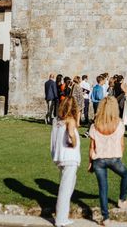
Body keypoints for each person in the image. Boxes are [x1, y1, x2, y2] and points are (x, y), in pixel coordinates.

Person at [88, 97, 127, 225]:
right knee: (125, 174)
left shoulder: (95, 125)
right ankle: (122, 200)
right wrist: (119, 157)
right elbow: (122, 144)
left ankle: (106, 218)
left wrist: (90, 162)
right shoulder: (119, 124)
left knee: (103, 188)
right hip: (114, 158)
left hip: (98, 160)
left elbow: (92, 147)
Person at [50, 96, 81, 227]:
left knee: (69, 185)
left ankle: (63, 213)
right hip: (70, 157)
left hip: (61, 156)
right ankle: (61, 219)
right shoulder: (70, 120)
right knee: (65, 188)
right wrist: (73, 143)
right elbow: (71, 135)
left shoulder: (57, 121)